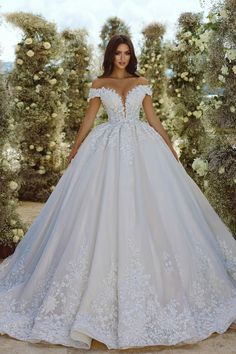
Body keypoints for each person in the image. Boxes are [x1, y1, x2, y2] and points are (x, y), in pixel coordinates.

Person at [0, 34, 236, 351]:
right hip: (106, 148)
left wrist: (169, 147)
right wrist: (74, 149)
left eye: (127, 53)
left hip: (143, 148)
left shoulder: (143, 80)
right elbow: (89, 119)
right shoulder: (100, 82)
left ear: (131, 55)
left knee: (152, 208)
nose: (122, 58)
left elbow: (152, 118)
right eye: (118, 53)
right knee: (100, 210)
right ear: (111, 55)